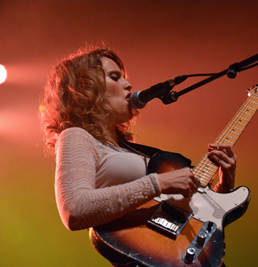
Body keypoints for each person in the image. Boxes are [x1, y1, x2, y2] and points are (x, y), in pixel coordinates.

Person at [40, 46, 236, 266]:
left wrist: (223, 188)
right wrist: (157, 182)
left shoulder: (129, 149)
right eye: (114, 77)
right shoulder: (77, 136)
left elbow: (182, 210)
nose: (128, 85)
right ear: (84, 88)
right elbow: (74, 209)